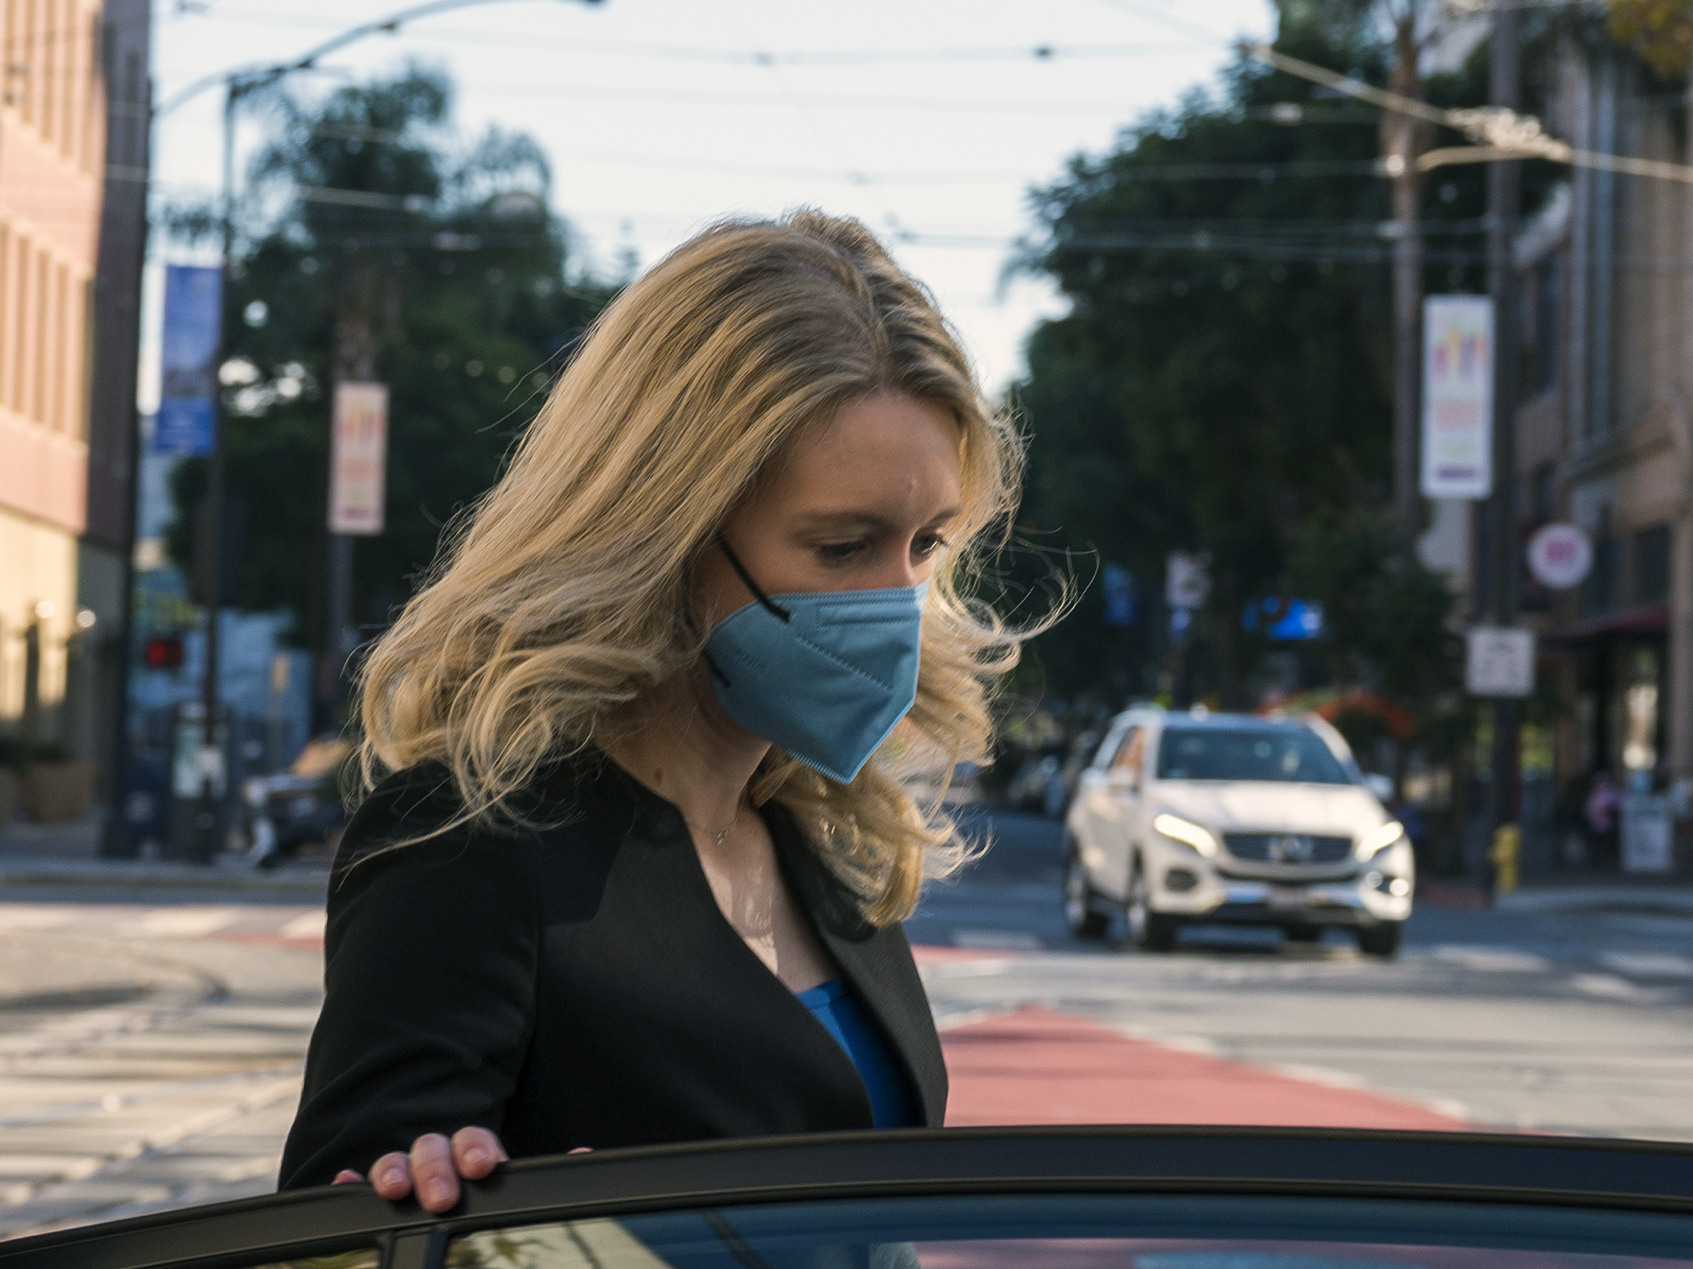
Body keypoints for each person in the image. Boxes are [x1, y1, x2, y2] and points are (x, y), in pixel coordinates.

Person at [277, 211, 1042, 1210]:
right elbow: (350, 1219)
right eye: (842, 546)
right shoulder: (467, 847)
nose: (895, 599)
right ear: (667, 533)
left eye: (927, 543)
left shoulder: (817, 840)